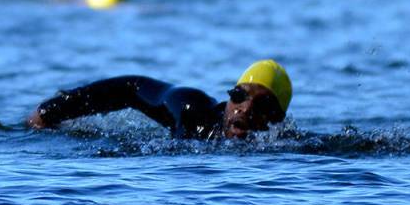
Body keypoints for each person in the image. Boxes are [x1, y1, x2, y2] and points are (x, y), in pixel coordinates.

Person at [27, 60, 292, 140]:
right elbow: (132, 88)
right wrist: (51, 111)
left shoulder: (285, 148)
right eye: (238, 96)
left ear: (277, 120)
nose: (245, 108)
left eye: (262, 105)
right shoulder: (193, 112)